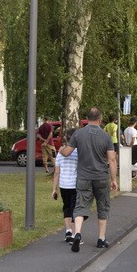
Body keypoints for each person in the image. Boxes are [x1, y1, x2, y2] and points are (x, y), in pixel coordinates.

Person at [58, 107, 117, 252]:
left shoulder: (78, 134)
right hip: (101, 177)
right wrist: (114, 179)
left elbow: (67, 152)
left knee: (80, 206)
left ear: (87, 118)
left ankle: (77, 233)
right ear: (100, 119)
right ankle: (101, 239)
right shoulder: (105, 137)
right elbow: (112, 160)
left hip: (83, 177)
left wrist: (61, 150)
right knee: (103, 206)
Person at [51, 128, 79, 243]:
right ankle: (73, 234)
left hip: (63, 185)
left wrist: (54, 189)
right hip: (75, 184)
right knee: (75, 209)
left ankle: (68, 231)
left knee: (66, 207)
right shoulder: (78, 152)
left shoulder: (60, 153)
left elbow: (57, 172)